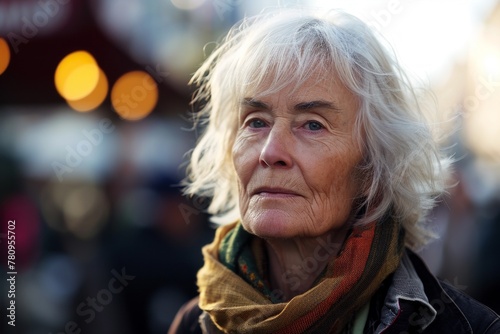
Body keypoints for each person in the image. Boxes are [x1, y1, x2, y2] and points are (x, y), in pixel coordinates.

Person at [169, 7, 500, 334]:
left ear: (373, 168)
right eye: (256, 121)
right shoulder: (195, 323)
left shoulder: (463, 328)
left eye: (312, 125)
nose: (271, 152)